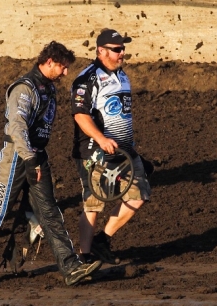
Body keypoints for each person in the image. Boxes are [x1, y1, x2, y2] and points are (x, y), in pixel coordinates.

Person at [0, 41, 102, 289]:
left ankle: (70, 267)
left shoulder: (48, 89)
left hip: (37, 155)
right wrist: (30, 158)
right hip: (17, 157)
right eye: (62, 67)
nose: (66, 73)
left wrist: (36, 158)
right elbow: (17, 127)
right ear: (48, 62)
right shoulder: (24, 89)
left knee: (49, 212)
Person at [70, 29, 152, 265]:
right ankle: (84, 258)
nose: (122, 53)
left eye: (123, 48)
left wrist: (132, 148)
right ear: (101, 51)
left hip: (125, 151)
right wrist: (102, 139)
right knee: (93, 204)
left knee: (139, 195)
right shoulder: (87, 79)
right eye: (117, 50)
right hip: (95, 152)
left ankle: (102, 241)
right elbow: (80, 116)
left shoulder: (123, 76)